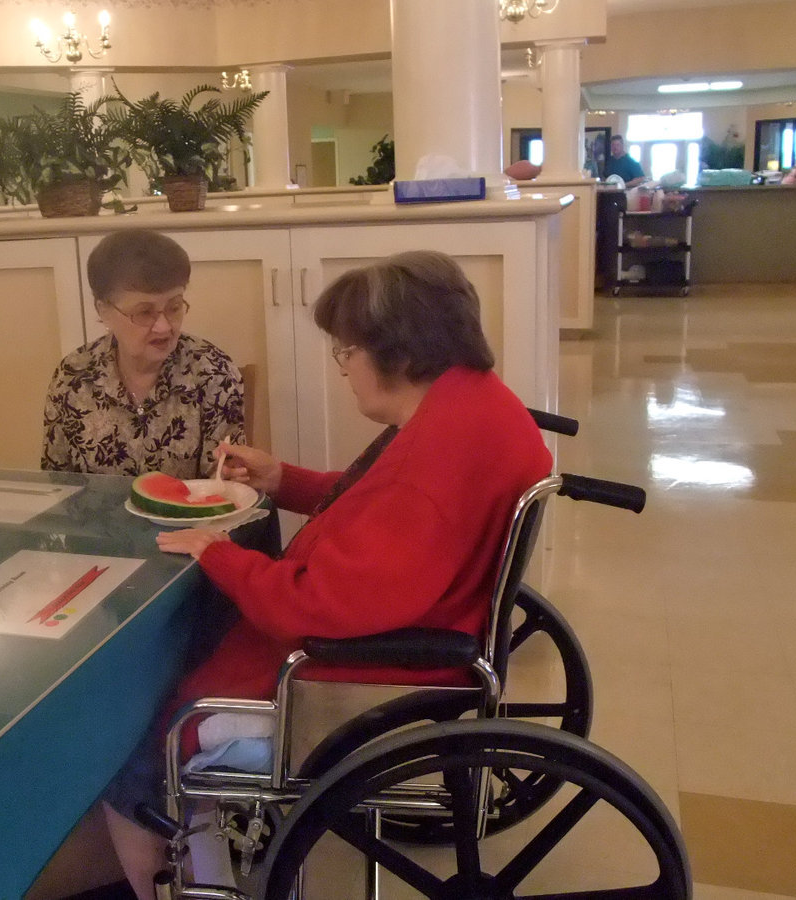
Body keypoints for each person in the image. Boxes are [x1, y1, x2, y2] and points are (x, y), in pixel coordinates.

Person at [99, 250, 554, 899]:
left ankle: (189, 873)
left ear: (393, 353)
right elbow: (372, 509)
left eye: (346, 351)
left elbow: (313, 606)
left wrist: (219, 553)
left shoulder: (430, 468)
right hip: (428, 627)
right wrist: (284, 481)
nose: (343, 368)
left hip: (347, 675)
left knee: (136, 744)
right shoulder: (469, 409)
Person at [41, 229, 245, 478]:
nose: (164, 326)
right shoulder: (74, 375)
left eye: (174, 307)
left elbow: (222, 487)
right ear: (103, 310)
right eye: (144, 312)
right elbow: (57, 484)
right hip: (96, 518)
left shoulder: (214, 373)